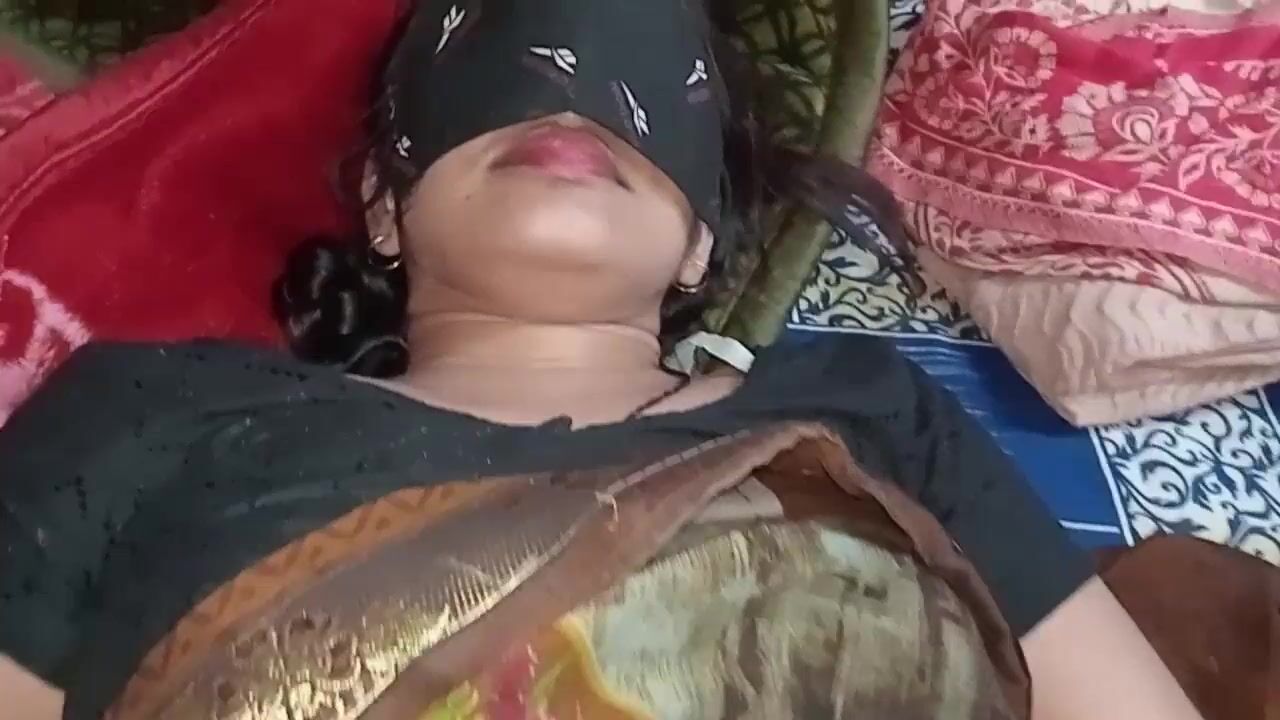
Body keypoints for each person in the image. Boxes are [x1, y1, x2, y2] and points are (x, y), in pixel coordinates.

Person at [0, 1, 1205, 719]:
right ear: (381, 203)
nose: (570, 101)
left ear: (698, 246)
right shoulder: (144, 411)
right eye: (488, 43)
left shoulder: (869, 411)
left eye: (658, 75)